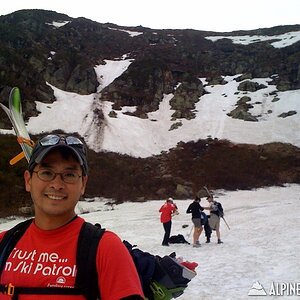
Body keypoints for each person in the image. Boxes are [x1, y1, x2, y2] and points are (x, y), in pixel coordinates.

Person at [0, 134, 144, 299]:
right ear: (28, 180)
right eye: (46, 173)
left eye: (69, 175)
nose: (57, 184)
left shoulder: (106, 249)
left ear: (83, 184)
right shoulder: (4, 243)